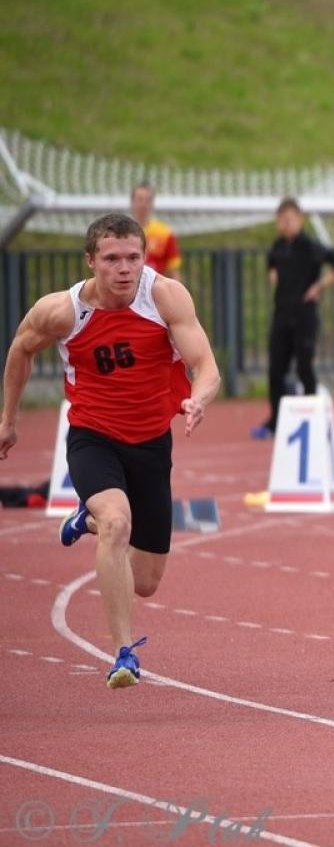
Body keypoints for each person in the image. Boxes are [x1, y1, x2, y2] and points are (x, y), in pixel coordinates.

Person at [0, 213, 220, 688]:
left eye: (133, 258)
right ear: (91, 261)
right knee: (118, 523)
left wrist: (197, 399)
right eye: (112, 259)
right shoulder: (63, 311)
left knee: (146, 581)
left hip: (151, 442)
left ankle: (87, 519)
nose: (124, 269)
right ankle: (124, 654)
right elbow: (20, 348)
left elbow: (206, 364)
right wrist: (7, 421)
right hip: (92, 437)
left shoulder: (164, 297)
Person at [253, 198, 334, 439]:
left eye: (290, 218)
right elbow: (271, 265)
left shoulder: (310, 246)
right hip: (281, 315)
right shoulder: (277, 246)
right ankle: (276, 421)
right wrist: (274, 276)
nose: (286, 224)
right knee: (276, 370)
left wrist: (319, 286)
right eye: (281, 219)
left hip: (304, 316)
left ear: (299, 219)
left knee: (305, 368)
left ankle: (311, 418)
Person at [130, 181, 182, 280]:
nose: (143, 204)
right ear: (132, 202)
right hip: (125, 291)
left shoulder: (164, 233)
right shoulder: (121, 232)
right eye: (140, 199)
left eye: (148, 200)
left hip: (154, 290)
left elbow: (173, 270)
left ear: (152, 203)